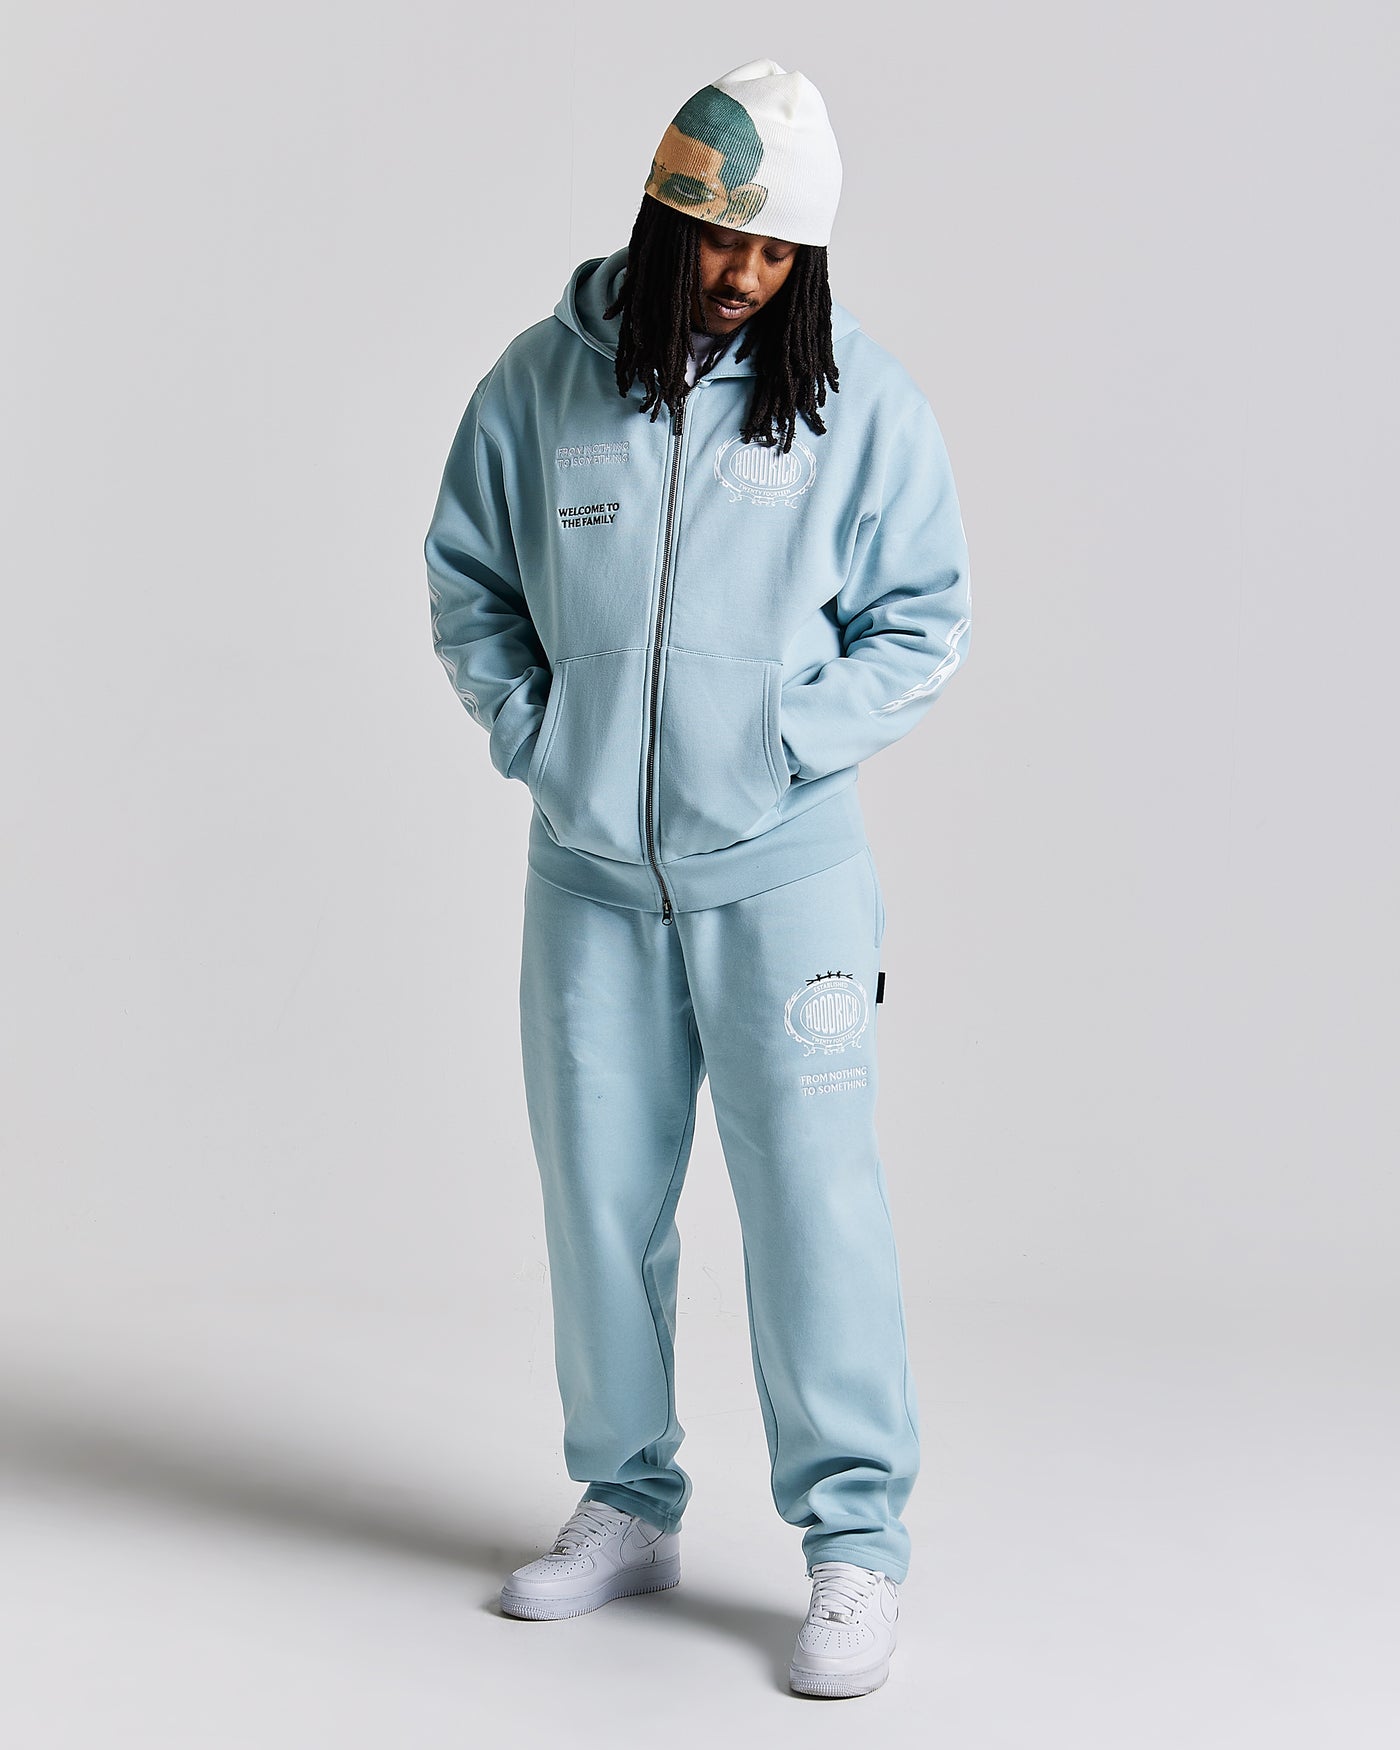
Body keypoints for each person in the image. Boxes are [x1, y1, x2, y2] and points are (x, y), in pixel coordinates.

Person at [423, 57, 972, 1699]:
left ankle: (855, 1541)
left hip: (784, 882)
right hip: (589, 879)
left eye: (779, 253)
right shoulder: (541, 385)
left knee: (813, 1205)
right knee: (599, 1197)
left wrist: (781, 739)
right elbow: (467, 580)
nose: (744, 276)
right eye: (723, 241)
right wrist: (544, 739)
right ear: (664, 220)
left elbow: (923, 618)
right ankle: (628, 1499)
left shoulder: (862, 405)